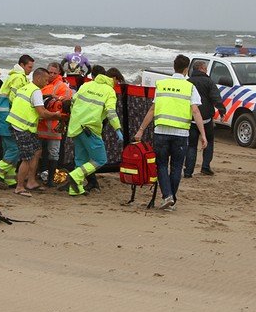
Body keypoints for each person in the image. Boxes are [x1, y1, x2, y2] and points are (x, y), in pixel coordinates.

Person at [134, 54, 207, 211]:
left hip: (161, 131)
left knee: (161, 165)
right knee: (176, 167)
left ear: (173, 67)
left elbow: (152, 109)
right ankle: (170, 198)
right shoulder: (190, 87)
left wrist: (141, 130)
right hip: (181, 134)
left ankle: (167, 196)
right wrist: (203, 135)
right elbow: (195, 111)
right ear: (186, 69)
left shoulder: (161, 84)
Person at [58, 65, 124, 197]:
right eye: (118, 82)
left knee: (81, 159)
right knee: (100, 159)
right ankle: (75, 176)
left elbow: (73, 102)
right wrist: (117, 129)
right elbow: (111, 112)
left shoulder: (86, 85)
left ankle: (75, 188)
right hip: (90, 128)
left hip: (76, 126)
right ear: (114, 79)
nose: (117, 85)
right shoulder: (109, 91)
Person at [6, 68, 63, 197]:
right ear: (37, 78)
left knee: (37, 151)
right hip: (22, 127)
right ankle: (19, 187)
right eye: (45, 80)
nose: (47, 82)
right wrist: (56, 115)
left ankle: (31, 181)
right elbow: (42, 112)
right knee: (27, 158)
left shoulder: (26, 88)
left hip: (18, 124)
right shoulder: (36, 91)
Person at [0, 55, 34, 189]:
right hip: (9, 117)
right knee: (15, 148)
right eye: (29, 67)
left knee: (8, 149)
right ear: (22, 65)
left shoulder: (13, 76)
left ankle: (10, 179)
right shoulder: (18, 78)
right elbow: (15, 99)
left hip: (2, 117)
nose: (30, 70)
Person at [183, 60, 227, 177]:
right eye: (206, 68)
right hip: (206, 119)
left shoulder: (188, 82)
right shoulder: (209, 82)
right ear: (202, 69)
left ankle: (188, 172)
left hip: (191, 119)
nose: (207, 70)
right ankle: (206, 167)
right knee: (209, 142)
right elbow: (215, 98)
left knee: (191, 145)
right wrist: (222, 111)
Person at [37, 62, 73, 182]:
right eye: (50, 72)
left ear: (59, 73)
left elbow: (67, 105)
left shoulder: (63, 86)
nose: (52, 75)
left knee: (54, 153)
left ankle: (51, 180)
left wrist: (53, 100)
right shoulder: (41, 83)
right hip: (39, 124)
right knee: (38, 152)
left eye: (54, 73)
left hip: (54, 125)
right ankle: (40, 173)